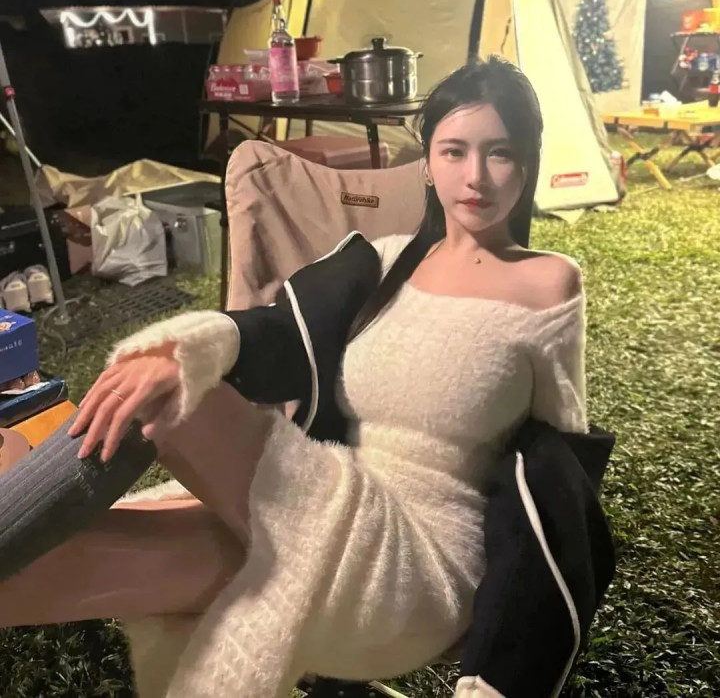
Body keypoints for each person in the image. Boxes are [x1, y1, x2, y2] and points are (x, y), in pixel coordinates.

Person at [0, 57, 590, 698]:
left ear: (526, 164)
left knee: (172, 390)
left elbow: (561, 466)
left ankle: (12, 492)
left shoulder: (548, 283)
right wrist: (196, 343)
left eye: (500, 153)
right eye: (454, 151)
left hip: (420, 568)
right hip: (325, 521)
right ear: (426, 163)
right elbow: (277, 332)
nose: (475, 176)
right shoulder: (382, 264)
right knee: (70, 561)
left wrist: (507, 644)